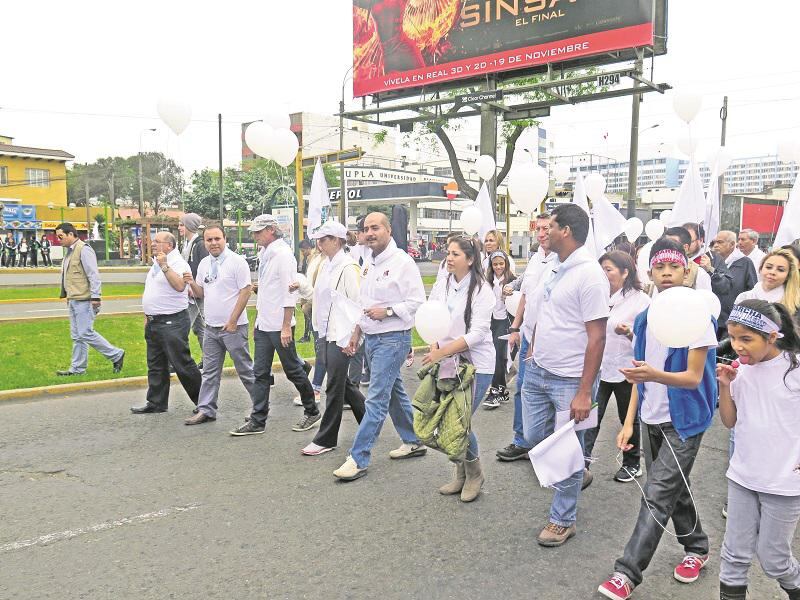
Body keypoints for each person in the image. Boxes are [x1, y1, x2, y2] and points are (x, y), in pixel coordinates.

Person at [597, 237, 718, 600]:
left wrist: (653, 376)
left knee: (657, 493)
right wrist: (629, 422)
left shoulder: (699, 316)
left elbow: (694, 377)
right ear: (650, 272)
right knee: (672, 489)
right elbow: (639, 374)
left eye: (674, 267)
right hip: (650, 418)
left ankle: (627, 573)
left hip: (685, 422)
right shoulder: (646, 317)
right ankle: (697, 546)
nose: (666, 274)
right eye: (659, 268)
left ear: (686, 271)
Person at [521, 204, 609, 546]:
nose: (543, 232)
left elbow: (597, 337)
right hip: (537, 370)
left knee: (565, 449)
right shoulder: (554, 267)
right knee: (533, 439)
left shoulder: (590, 275)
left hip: (571, 380)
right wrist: (532, 348)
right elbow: (544, 311)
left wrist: (585, 392)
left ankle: (563, 518)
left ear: (567, 231)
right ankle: (577, 469)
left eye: (550, 226)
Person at [333, 212, 426, 481]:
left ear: (388, 231)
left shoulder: (403, 263)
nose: (370, 233)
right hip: (372, 339)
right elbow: (364, 304)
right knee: (393, 391)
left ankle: (358, 457)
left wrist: (387, 311)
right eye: (366, 229)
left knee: (375, 400)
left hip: (393, 339)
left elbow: (418, 302)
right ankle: (413, 440)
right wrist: (356, 332)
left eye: (376, 228)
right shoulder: (367, 263)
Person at [716, 299, 800, 600]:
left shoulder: (794, 370)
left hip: (784, 482)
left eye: (746, 339)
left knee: (774, 559)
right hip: (743, 476)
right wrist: (725, 386)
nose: (737, 346)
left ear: (772, 336)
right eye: (733, 337)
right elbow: (730, 421)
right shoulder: (740, 371)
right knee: (733, 555)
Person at [229, 214, 321, 435]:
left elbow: (290, 292)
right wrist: (259, 320)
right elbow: (272, 288)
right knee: (259, 372)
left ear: (271, 230)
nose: (255, 236)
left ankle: (312, 410)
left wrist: (286, 326)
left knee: (293, 371)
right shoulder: (266, 253)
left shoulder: (282, 255)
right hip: (265, 323)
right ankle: (258, 419)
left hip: (280, 324)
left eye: (258, 232)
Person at [423, 235, 496, 501]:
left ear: (470, 259)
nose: (449, 258)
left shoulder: (481, 290)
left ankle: (475, 473)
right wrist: (434, 346)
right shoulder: (443, 283)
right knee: (446, 420)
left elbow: (477, 333)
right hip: (446, 362)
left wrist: (442, 351)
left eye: (455, 254)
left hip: (476, 366)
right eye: (448, 253)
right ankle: (461, 474)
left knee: (459, 422)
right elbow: (431, 315)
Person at [294, 221, 366, 455]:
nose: (319, 243)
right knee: (343, 383)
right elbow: (317, 296)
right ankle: (369, 422)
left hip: (341, 334)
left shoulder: (348, 267)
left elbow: (357, 304)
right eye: (319, 239)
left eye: (324, 239)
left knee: (334, 386)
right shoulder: (326, 265)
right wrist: (300, 288)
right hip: (325, 332)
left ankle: (326, 439)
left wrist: (353, 337)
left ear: (337, 240)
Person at [583, 251, 650, 483]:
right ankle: (581, 464)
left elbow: (649, 341)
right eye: (601, 269)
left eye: (609, 269)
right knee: (591, 417)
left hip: (626, 370)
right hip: (598, 367)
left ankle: (632, 463)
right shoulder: (596, 294)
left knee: (628, 418)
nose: (604, 274)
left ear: (625, 272)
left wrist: (630, 332)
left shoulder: (641, 301)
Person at [182, 225, 259, 428]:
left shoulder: (237, 262)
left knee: (245, 369)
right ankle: (206, 409)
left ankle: (259, 407)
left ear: (225, 239)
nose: (213, 243)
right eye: (209, 240)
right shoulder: (204, 263)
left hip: (233, 327)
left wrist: (233, 320)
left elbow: (245, 291)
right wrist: (190, 283)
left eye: (217, 239)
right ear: (205, 242)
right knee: (209, 371)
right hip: (211, 327)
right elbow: (201, 293)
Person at [496, 213, 557, 462]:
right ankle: (522, 441)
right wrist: (515, 328)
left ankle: (548, 447)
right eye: (538, 229)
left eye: (547, 228)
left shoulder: (561, 261)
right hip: (528, 336)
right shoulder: (535, 260)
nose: (541, 234)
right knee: (522, 389)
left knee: (548, 394)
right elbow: (526, 297)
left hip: (549, 341)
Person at [130, 232, 202, 414]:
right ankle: (156, 402)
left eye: (157, 241)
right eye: (152, 241)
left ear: (169, 246)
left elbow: (179, 286)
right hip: (155, 321)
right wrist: (148, 316)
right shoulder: (156, 262)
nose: (153, 244)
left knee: (181, 364)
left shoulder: (178, 263)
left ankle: (204, 402)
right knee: (156, 364)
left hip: (172, 321)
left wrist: (165, 266)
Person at [54, 222, 125, 376]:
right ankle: (78, 369)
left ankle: (116, 354)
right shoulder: (69, 252)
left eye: (61, 236)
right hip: (74, 299)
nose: (59, 240)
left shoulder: (83, 250)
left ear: (71, 234)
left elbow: (93, 275)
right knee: (77, 336)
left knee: (85, 333)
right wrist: (68, 296)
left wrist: (96, 297)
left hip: (85, 300)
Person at [483, 250, 516, 409]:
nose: (498, 267)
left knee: (498, 355)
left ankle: (495, 391)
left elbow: (519, 302)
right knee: (497, 356)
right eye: (495, 264)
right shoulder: (486, 280)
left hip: (506, 321)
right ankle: (501, 390)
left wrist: (510, 294)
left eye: (501, 264)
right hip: (491, 320)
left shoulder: (512, 280)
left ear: (506, 264)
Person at [712, 230, 758, 337]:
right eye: (714, 242)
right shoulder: (712, 261)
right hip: (714, 318)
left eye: (720, 242)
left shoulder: (745, 262)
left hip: (734, 321)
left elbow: (752, 292)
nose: (716, 245)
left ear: (732, 244)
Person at [734, 248, 800, 320]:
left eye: (780, 270)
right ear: (761, 269)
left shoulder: (795, 303)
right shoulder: (744, 297)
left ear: (788, 275)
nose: (772, 272)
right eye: (768, 267)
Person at [178, 213, 208, 368]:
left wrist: (194, 286)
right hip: (192, 292)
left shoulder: (199, 244)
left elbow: (203, 268)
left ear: (189, 226)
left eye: (182, 225)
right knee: (199, 328)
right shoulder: (188, 244)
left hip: (195, 293)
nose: (179, 227)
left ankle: (178, 362)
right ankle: (208, 359)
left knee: (183, 328)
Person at [682, 222, 732, 298]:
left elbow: (725, 288)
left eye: (690, 241)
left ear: (701, 240)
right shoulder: (676, 257)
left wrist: (710, 271)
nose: (685, 245)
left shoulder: (713, 257)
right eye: (682, 241)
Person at [662, 227, 712, 291]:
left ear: (685, 247)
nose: (666, 248)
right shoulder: (658, 269)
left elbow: (705, 299)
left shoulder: (698, 274)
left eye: (672, 244)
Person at [298, 239, 314, 343]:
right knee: (306, 313)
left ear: (309, 248)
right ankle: (306, 334)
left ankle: (308, 334)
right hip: (306, 289)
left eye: (303, 250)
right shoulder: (306, 258)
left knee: (308, 312)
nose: (302, 253)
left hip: (311, 291)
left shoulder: (313, 258)